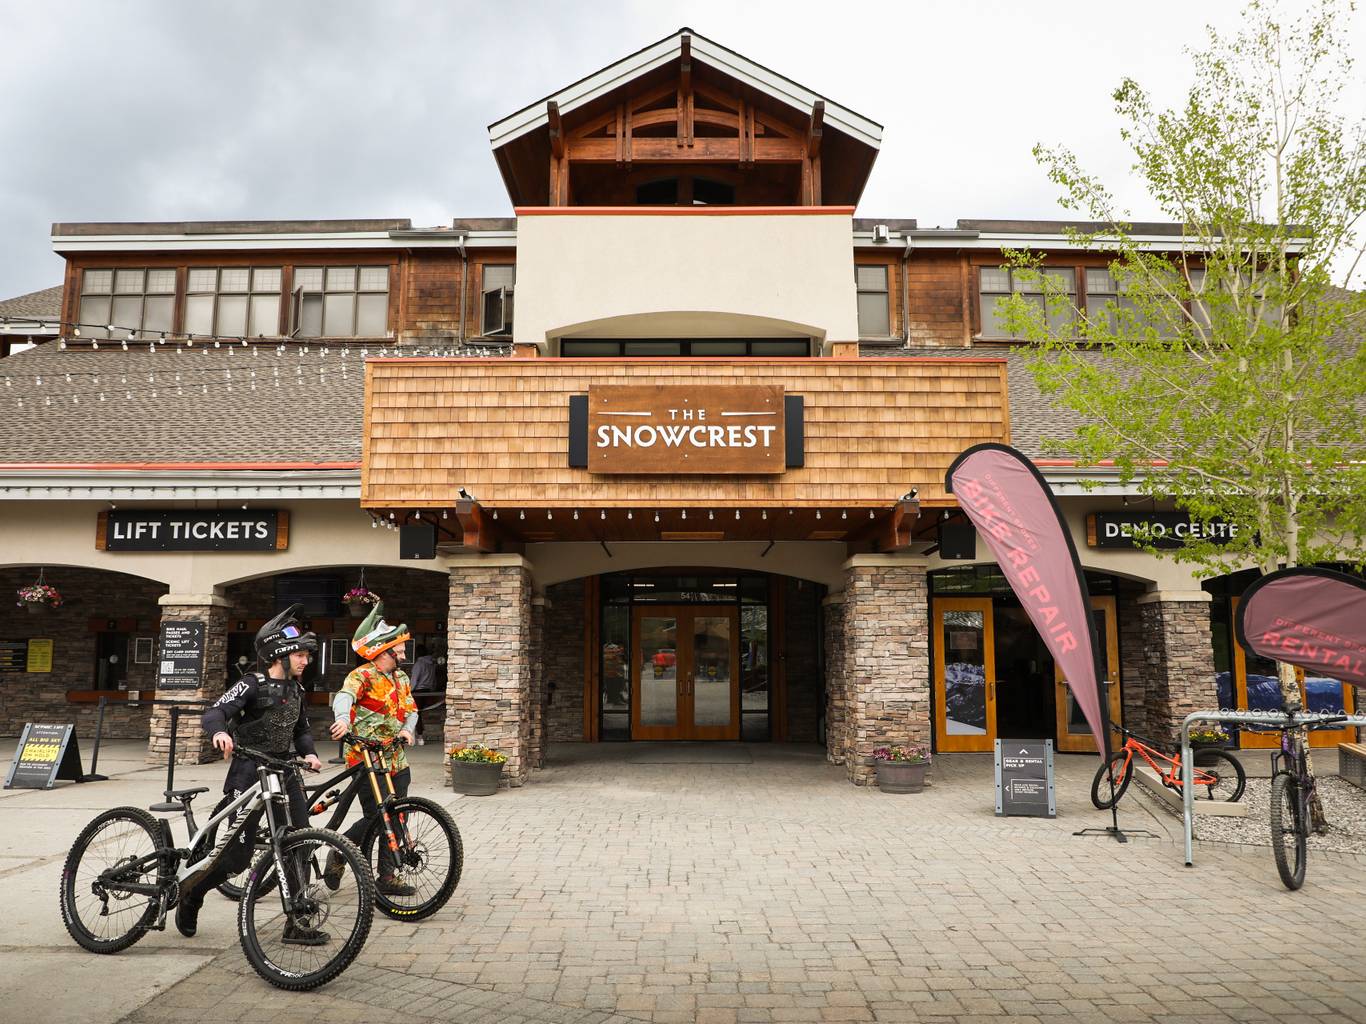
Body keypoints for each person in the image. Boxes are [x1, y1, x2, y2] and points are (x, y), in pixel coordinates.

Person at [176, 604, 325, 942]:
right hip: (249, 772)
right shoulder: (252, 684)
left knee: (301, 843)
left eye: (306, 656)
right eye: (300, 655)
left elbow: (301, 730)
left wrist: (310, 754)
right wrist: (219, 732)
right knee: (236, 859)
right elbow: (215, 712)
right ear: (278, 655)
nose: (305, 661)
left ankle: (297, 923)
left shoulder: (297, 690)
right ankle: (193, 893)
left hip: (285, 772)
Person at [326, 599, 419, 895]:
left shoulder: (401, 677)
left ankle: (387, 877)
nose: (403, 654)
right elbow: (345, 697)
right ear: (382, 652)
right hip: (365, 757)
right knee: (377, 817)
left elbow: (411, 709)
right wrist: (342, 720)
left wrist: (407, 729)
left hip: (396, 757)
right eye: (398, 650)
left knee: (398, 814)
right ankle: (340, 851)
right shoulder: (361, 675)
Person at [408, 645, 438, 744]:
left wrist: (409, 691)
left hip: (418, 692)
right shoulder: (432, 664)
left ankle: (418, 738)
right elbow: (433, 679)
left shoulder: (419, 664)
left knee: (415, 714)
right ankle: (418, 737)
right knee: (419, 714)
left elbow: (414, 679)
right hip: (428, 691)